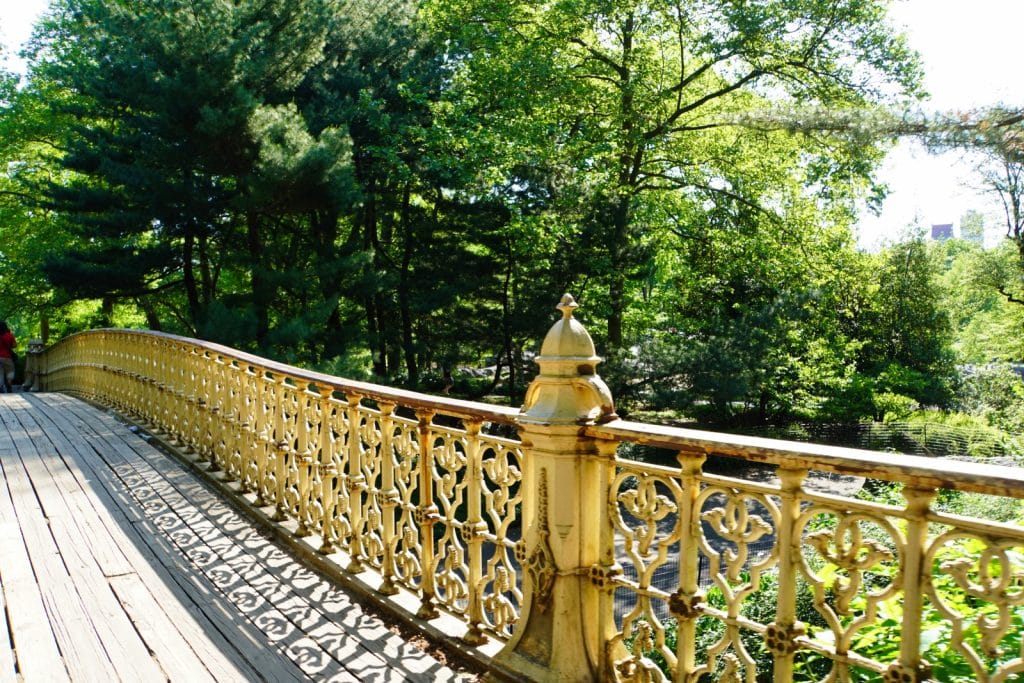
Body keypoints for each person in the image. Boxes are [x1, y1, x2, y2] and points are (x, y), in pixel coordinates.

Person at [0, 321, 16, 393]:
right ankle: (9, 385)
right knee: (10, 371)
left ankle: (0, 387)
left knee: (0, 373)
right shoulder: (10, 335)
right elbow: (14, 345)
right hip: (7, 357)